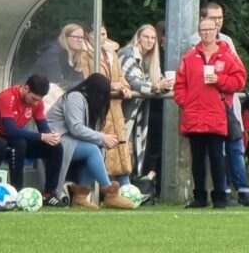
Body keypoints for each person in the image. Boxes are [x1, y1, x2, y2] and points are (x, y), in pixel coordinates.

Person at [189, 1, 249, 206]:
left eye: (220, 18)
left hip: (228, 106)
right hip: (204, 109)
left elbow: (237, 76)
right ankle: (220, 193)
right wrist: (187, 102)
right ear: (202, 21)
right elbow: (186, 81)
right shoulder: (193, 47)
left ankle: (243, 191)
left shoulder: (227, 42)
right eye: (213, 18)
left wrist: (221, 80)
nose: (217, 22)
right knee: (213, 152)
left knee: (235, 146)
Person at [174, 16, 247, 209]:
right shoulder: (189, 57)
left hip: (216, 113)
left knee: (217, 156)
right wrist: (186, 103)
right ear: (199, 32)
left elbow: (239, 81)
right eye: (203, 30)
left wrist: (219, 79)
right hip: (194, 114)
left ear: (216, 31)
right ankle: (199, 196)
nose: (206, 33)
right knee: (197, 158)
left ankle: (220, 196)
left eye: (210, 29)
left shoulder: (228, 56)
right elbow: (180, 84)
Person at [45, 73, 136, 209]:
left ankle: (80, 197)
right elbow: (75, 128)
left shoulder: (87, 100)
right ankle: (110, 193)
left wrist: (101, 140)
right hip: (56, 139)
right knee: (92, 149)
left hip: (68, 139)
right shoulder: (75, 97)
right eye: (104, 94)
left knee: (97, 147)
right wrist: (102, 137)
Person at [0, 73, 65, 207]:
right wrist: (42, 136)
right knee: (19, 142)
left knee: (55, 146)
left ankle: (49, 194)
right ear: (26, 88)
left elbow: (43, 128)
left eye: (39, 100)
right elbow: (11, 129)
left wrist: (52, 136)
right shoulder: (8, 97)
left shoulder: (37, 103)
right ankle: (17, 190)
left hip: (20, 138)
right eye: (33, 98)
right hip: (0, 138)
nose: (35, 103)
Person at [119, 24, 173, 186]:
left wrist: (166, 86)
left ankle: (129, 185)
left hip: (139, 112)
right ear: (138, 37)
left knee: (133, 149)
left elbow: (157, 80)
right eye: (146, 37)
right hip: (122, 110)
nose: (150, 41)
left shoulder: (150, 58)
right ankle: (115, 187)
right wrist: (156, 87)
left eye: (153, 38)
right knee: (121, 147)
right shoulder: (127, 53)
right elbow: (133, 82)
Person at [83, 23, 133, 186]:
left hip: (115, 108)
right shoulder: (84, 54)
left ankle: (123, 189)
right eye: (96, 34)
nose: (101, 38)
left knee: (120, 149)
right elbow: (87, 80)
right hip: (98, 107)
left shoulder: (112, 52)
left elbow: (119, 76)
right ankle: (102, 189)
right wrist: (111, 85)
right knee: (102, 148)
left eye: (103, 34)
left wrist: (125, 87)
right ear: (88, 35)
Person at [29, 22, 86, 93]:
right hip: (36, 92)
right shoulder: (52, 53)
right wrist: (84, 86)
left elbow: (80, 80)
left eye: (82, 37)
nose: (80, 40)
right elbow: (57, 82)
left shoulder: (76, 57)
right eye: (76, 37)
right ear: (65, 37)